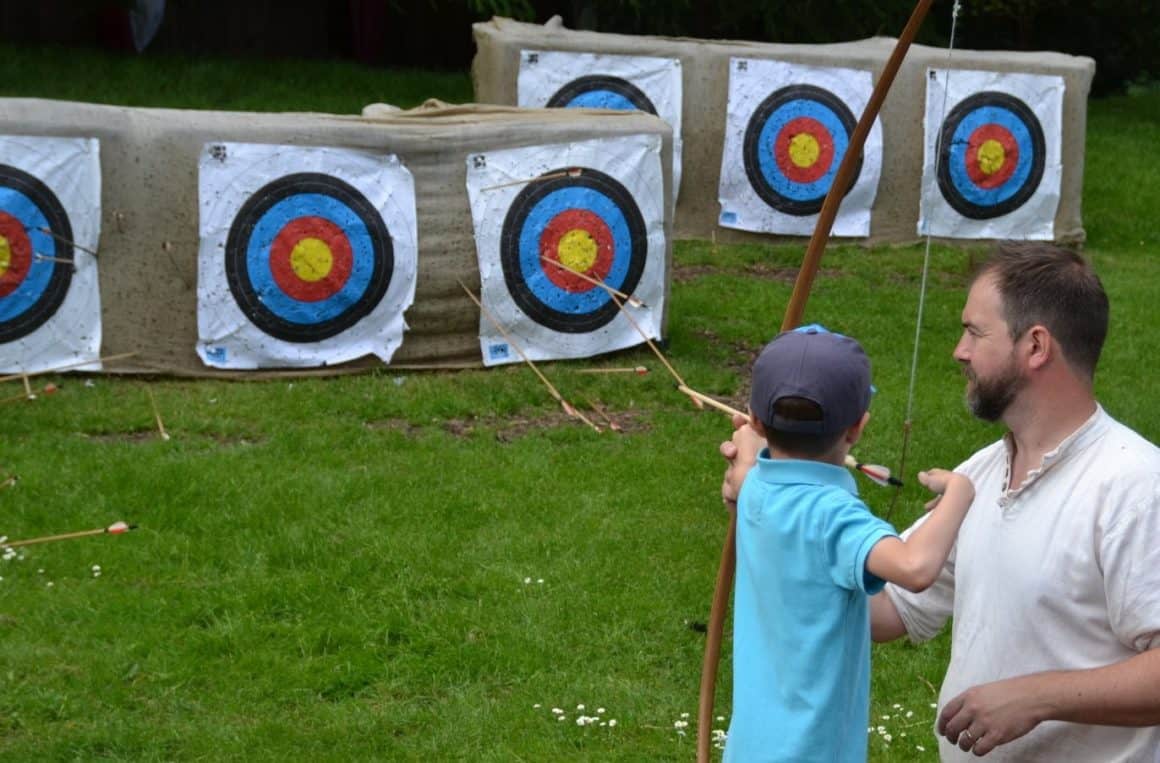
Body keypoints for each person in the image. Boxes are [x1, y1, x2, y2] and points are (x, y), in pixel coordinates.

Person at [721, 243, 1160, 760]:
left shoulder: (1135, 485)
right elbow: (887, 612)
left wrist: (1036, 699)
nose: (959, 350)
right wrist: (776, 517)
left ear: (1036, 346)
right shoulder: (979, 473)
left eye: (975, 332)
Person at [722, 325, 974, 762]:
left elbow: (747, 468)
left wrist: (747, 442)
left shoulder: (757, 490)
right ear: (857, 428)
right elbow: (915, 568)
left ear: (759, 421)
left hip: (751, 747)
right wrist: (962, 492)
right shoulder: (833, 516)